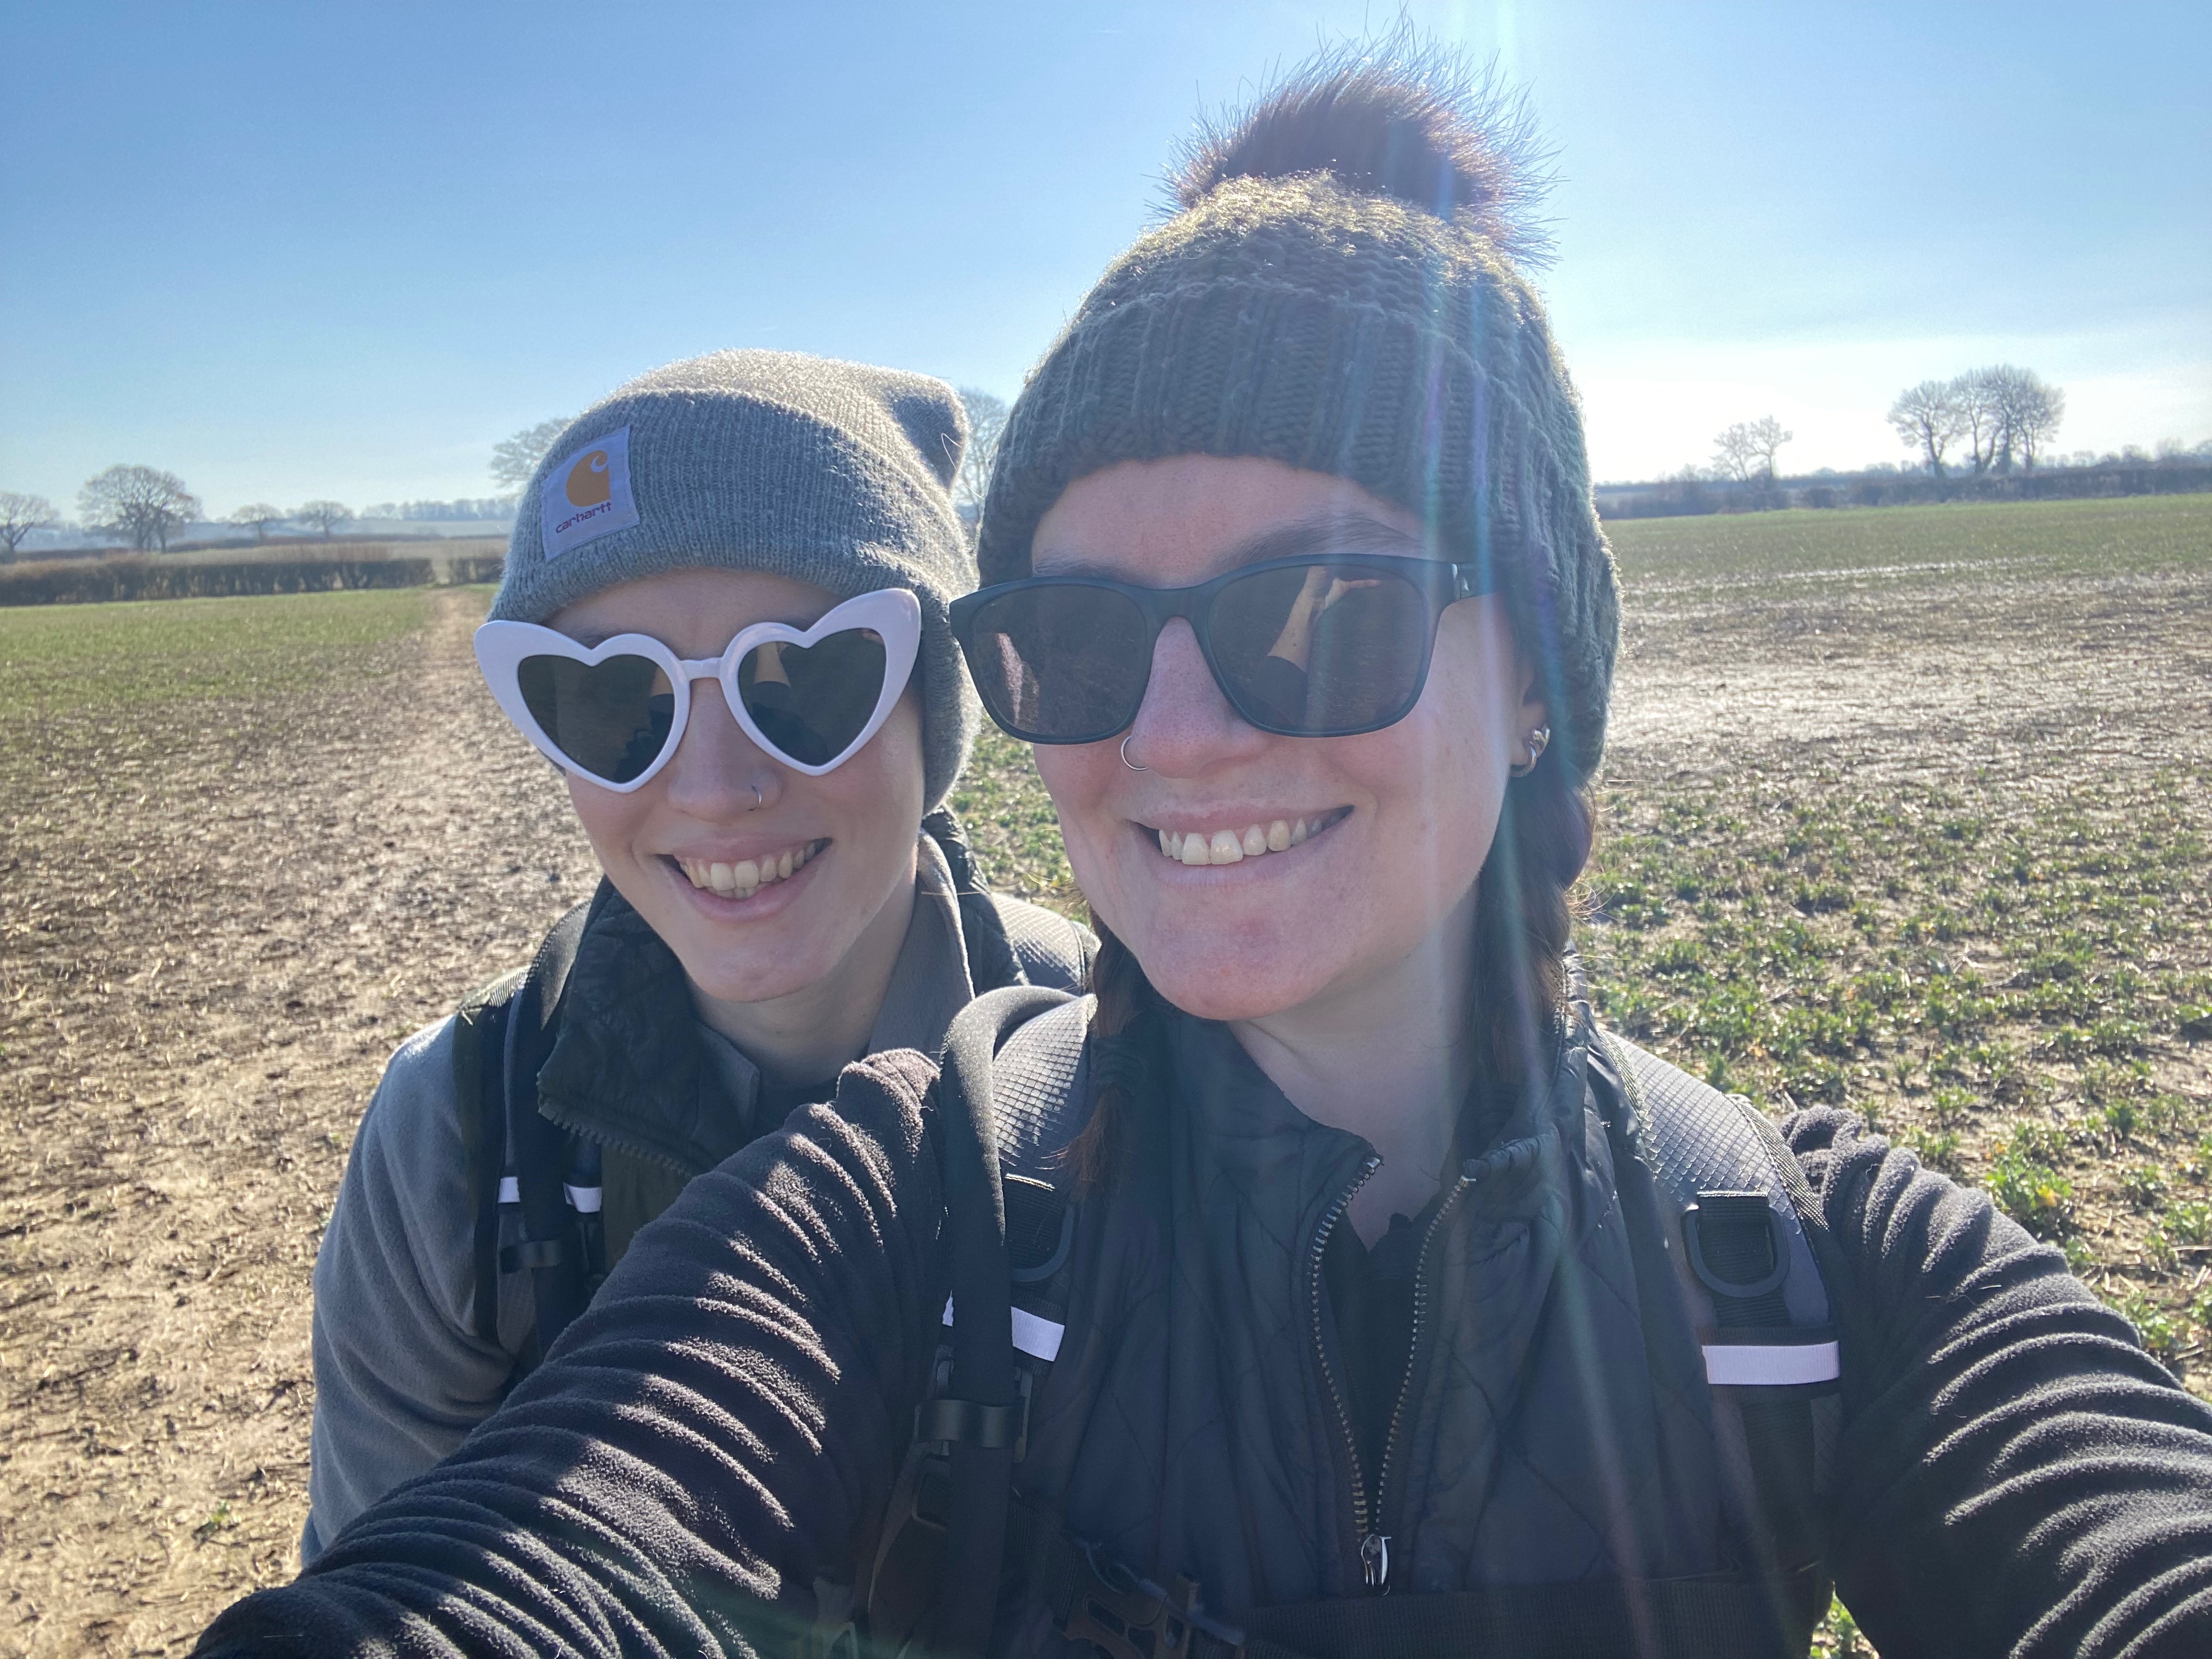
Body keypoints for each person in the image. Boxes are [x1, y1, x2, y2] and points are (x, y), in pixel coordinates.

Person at [207, 52, 2212, 1658]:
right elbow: (544, 1545)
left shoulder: (1812, 1265)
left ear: (1535, 679)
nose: (1174, 736)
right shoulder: (902, 1194)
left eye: (1319, 613)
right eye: (1082, 640)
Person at [297, 349, 1093, 1561]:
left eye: (806, 680)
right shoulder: (457, 1134)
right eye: (617, 701)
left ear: (930, 705)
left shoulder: (1114, 1062)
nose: (716, 788)